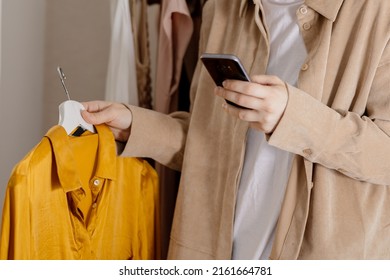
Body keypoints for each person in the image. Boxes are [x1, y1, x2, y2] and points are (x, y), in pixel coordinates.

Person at [81, 0, 390, 259]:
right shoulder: (221, 6)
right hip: (213, 250)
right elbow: (212, 137)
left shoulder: (377, 12)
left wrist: (293, 117)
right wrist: (135, 125)